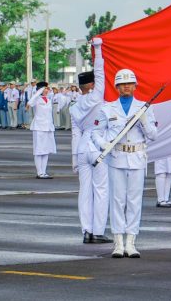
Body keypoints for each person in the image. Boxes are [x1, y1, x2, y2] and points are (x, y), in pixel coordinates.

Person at [92, 69, 158, 259]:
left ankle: (131, 242)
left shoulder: (144, 108)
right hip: (117, 157)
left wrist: (144, 120)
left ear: (135, 86)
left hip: (137, 158)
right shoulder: (107, 108)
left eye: (129, 83)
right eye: (122, 84)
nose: (126, 86)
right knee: (117, 200)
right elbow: (96, 131)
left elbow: (153, 135)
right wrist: (103, 144)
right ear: (117, 87)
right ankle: (118, 242)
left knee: (134, 201)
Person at [70, 38, 111, 244]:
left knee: (84, 191)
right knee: (101, 190)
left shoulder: (74, 106)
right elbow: (101, 70)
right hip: (98, 145)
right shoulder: (96, 97)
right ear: (93, 84)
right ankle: (98, 230)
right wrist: (98, 48)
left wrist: (74, 159)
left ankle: (86, 230)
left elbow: (75, 133)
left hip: (82, 148)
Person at [27, 81, 56, 178]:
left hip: (48, 127)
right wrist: (39, 91)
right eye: (46, 88)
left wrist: (47, 90)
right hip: (39, 127)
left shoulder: (49, 99)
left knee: (46, 150)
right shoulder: (36, 99)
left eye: (47, 88)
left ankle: (44, 172)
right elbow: (30, 103)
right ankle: (39, 172)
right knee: (39, 150)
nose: (48, 90)